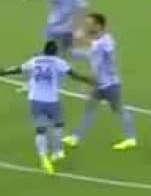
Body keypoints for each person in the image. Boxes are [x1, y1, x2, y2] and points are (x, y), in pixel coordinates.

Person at [0, 41, 92, 174]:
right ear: (56, 52)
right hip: (51, 100)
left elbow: (17, 69)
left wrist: (3, 72)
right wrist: (90, 80)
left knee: (40, 130)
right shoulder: (59, 62)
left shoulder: (35, 61)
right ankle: (56, 152)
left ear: (44, 50)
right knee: (58, 125)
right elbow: (74, 75)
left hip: (35, 99)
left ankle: (43, 157)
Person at [64, 12, 138, 151]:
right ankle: (75, 137)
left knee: (119, 110)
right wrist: (72, 52)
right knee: (89, 110)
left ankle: (131, 138)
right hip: (100, 84)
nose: (86, 26)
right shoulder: (100, 42)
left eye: (89, 24)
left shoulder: (105, 41)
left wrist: (79, 38)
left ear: (98, 26)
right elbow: (90, 53)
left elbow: (96, 57)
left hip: (110, 84)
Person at [24, 0, 88, 55]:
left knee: (67, 50)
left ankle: (88, 52)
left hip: (68, 21)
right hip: (54, 19)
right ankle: (47, 53)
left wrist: (79, 26)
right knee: (51, 39)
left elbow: (82, 5)